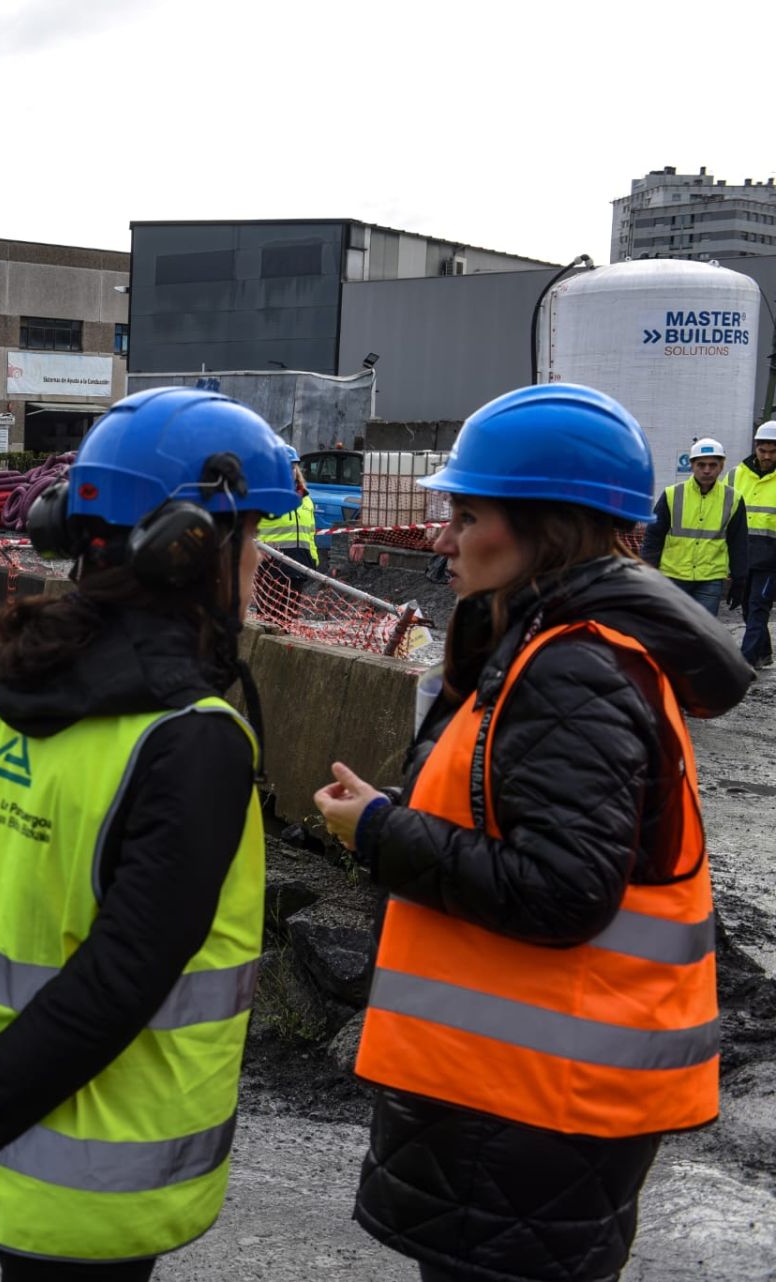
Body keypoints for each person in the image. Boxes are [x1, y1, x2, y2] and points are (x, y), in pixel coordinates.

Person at [313, 383, 751, 1282]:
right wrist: (397, 810)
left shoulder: (570, 668)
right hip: (525, 1101)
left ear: (545, 530)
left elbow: (559, 890)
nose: (440, 537)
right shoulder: (552, 651)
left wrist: (381, 832)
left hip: (528, 1105)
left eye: (467, 514)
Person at [0, 387, 300, 1279]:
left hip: (0, 1136)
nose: (258, 563)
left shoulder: (6, 698)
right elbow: (126, 973)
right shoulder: (191, 737)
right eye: (250, 536)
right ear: (192, 548)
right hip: (100, 1163)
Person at [640, 437, 745, 616]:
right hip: (673, 576)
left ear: (721, 466)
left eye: (713, 465)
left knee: (703, 634)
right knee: (671, 628)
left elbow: (738, 542)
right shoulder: (672, 494)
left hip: (709, 579)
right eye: (701, 465)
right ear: (691, 465)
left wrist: (740, 579)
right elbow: (653, 538)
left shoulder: (733, 499)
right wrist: (647, 573)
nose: (707, 470)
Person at [731, 421, 776, 666]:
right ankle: (764, 653)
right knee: (748, 608)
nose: (767, 456)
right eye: (763, 450)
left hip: (771, 560)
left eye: (773, 451)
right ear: (755, 448)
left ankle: (744, 662)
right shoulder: (737, 475)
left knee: (758, 607)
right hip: (743, 555)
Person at [258, 443, 319, 586]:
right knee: (270, 609)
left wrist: (313, 559)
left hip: (299, 568)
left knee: (291, 609)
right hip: (270, 569)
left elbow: (310, 534)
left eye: (292, 467)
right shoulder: (262, 497)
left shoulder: (306, 499)